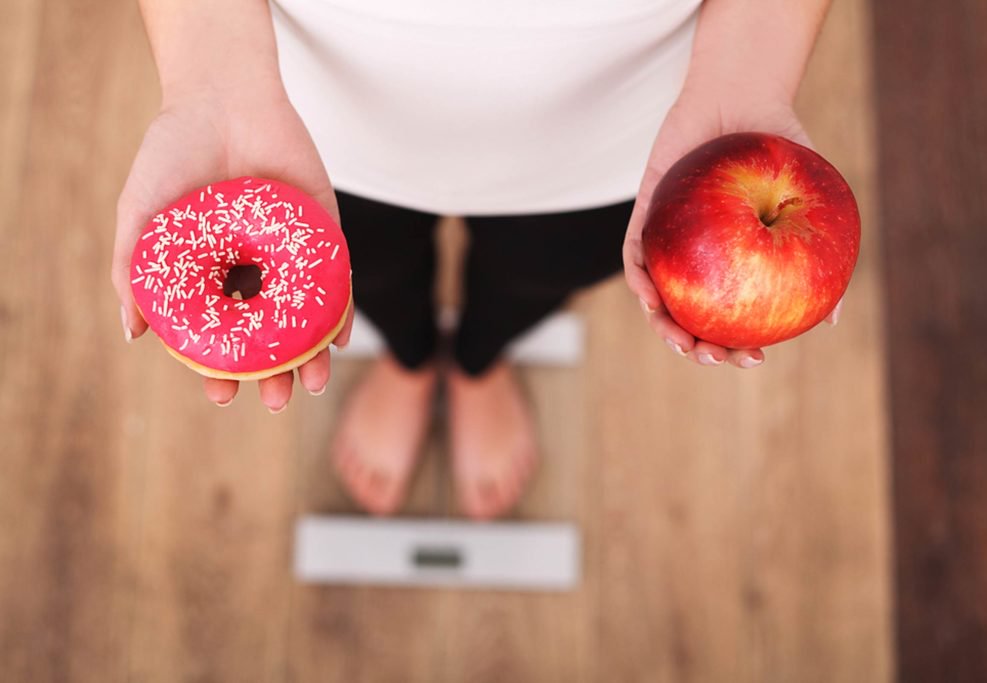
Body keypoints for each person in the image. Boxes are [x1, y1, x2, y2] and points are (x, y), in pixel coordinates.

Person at [112, 0, 841, 520]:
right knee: (370, 273)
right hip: (297, 118)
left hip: (635, 131)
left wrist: (749, 75)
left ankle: (479, 359)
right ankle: (409, 353)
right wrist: (209, 77)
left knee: (538, 273)